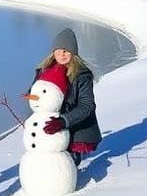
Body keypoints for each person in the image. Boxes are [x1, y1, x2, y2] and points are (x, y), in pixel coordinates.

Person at [34, 28, 101, 165]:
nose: (62, 54)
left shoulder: (81, 75)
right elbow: (36, 94)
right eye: (58, 50)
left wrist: (63, 121)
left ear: (73, 52)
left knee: (65, 164)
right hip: (49, 124)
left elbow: (86, 105)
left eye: (66, 50)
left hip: (75, 129)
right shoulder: (44, 71)